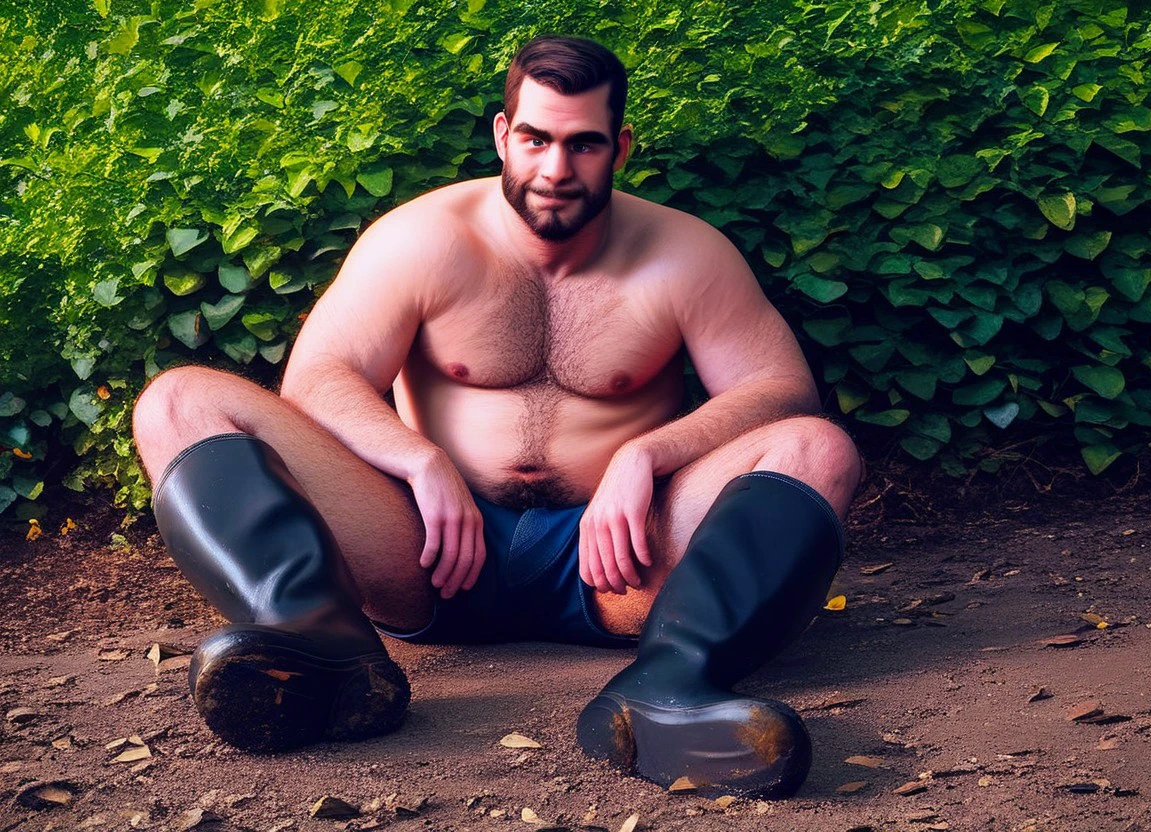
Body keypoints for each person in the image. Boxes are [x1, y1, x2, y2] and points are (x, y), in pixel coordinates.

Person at [132, 34, 862, 798]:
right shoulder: (423, 239)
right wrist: (419, 460)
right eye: (537, 139)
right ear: (503, 134)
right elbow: (318, 377)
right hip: (423, 551)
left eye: (583, 144)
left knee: (819, 449)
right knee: (179, 401)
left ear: (620, 146)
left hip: (616, 562)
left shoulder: (685, 255)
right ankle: (325, 652)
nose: (556, 168)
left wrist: (646, 455)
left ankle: (669, 690)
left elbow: (780, 389)